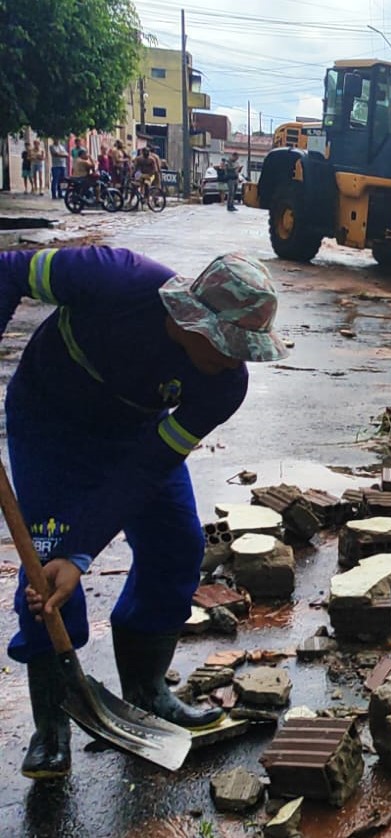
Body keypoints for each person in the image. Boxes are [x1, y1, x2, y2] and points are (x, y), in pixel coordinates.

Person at [0, 247, 289, 780]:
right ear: (193, 316)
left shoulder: (227, 384)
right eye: (230, 344)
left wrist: (83, 549)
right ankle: (52, 725)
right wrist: (65, 553)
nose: (235, 359)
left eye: (247, 349)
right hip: (49, 424)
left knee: (176, 546)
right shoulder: (116, 279)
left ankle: (147, 690)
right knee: (45, 570)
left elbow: (147, 467)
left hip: (136, 436)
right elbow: (9, 269)